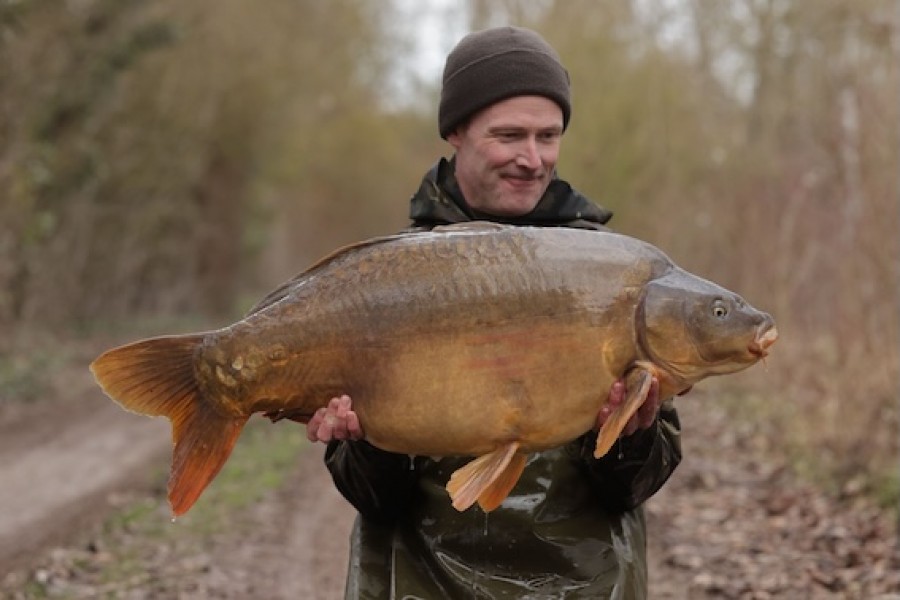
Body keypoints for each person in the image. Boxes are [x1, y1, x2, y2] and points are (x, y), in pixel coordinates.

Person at [306, 26, 682, 599]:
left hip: (583, 585)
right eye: (509, 135)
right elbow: (376, 502)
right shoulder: (384, 282)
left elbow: (632, 491)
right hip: (419, 584)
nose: (532, 159)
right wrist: (367, 442)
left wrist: (632, 436)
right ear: (456, 131)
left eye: (548, 136)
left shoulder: (616, 276)